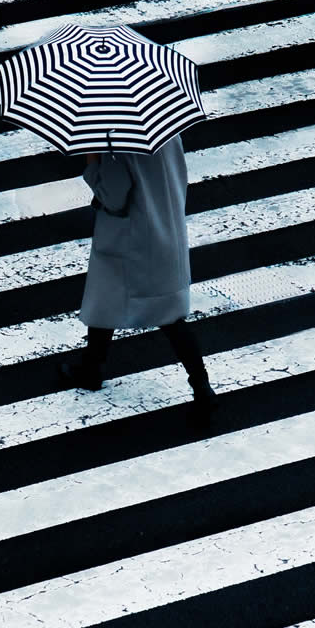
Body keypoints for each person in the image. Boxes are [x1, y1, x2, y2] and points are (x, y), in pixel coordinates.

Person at [58, 132, 217, 425]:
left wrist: (93, 161)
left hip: (131, 237)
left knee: (151, 310)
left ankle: (200, 385)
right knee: (115, 299)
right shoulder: (167, 131)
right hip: (165, 227)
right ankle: (94, 366)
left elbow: (114, 198)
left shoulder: (114, 138)